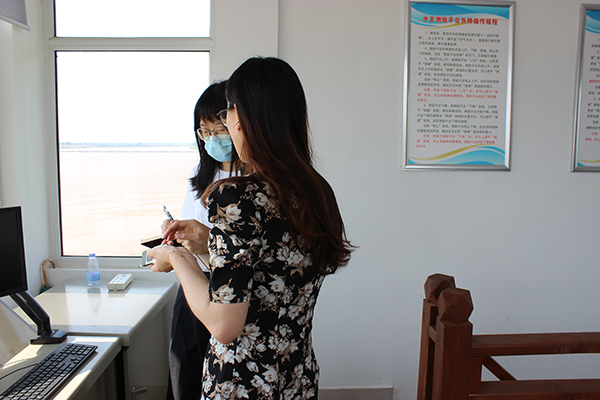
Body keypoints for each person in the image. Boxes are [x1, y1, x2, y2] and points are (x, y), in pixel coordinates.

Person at [150, 57, 353, 400]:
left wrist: (176, 258)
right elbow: (270, 277)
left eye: (228, 109)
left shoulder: (236, 197)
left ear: (243, 119)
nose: (227, 120)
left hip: (241, 384)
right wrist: (209, 247)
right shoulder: (317, 192)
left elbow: (223, 325)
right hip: (296, 378)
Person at [165, 81, 240, 400]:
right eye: (205, 132)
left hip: (230, 286)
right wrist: (175, 234)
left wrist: (208, 241)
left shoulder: (252, 181)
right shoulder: (202, 173)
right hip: (195, 281)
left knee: (223, 371)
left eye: (219, 130)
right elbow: (188, 222)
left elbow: (242, 251)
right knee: (185, 369)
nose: (213, 139)